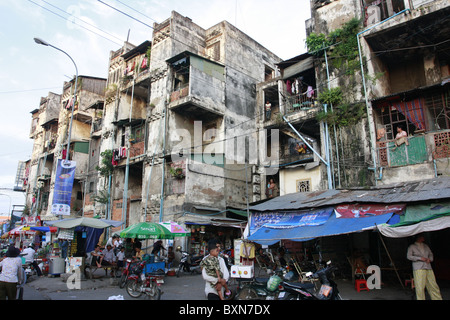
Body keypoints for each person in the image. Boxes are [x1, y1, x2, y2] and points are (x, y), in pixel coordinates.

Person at [407, 233, 442, 300]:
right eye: (422, 237)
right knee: (420, 286)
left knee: (433, 284)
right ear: (418, 238)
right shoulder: (412, 246)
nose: (423, 238)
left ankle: (437, 298)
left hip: (428, 266)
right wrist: (419, 258)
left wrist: (430, 259)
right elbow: (409, 256)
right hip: (418, 267)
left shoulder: (426, 246)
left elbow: (431, 254)